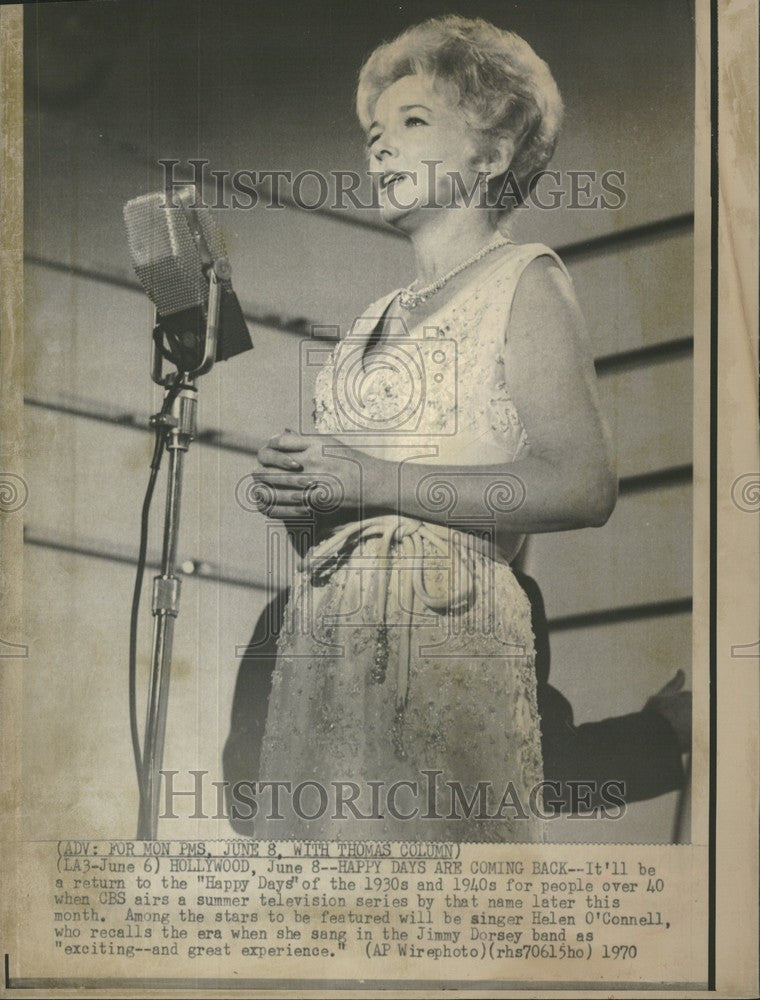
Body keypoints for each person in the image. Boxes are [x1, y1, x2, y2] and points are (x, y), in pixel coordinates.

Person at [249, 16, 617, 841]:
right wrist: (304, 495)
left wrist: (375, 480)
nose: (378, 149)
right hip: (329, 657)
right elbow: (347, 520)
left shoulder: (527, 280)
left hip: (448, 648)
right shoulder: (366, 323)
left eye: (413, 124)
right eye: (373, 132)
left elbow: (585, 486)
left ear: (492, 155)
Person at [223, 577, 690, 835]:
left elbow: (246, 799)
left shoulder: (291, 608)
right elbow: (542, 774)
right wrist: (661, 731)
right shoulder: (494, 599)